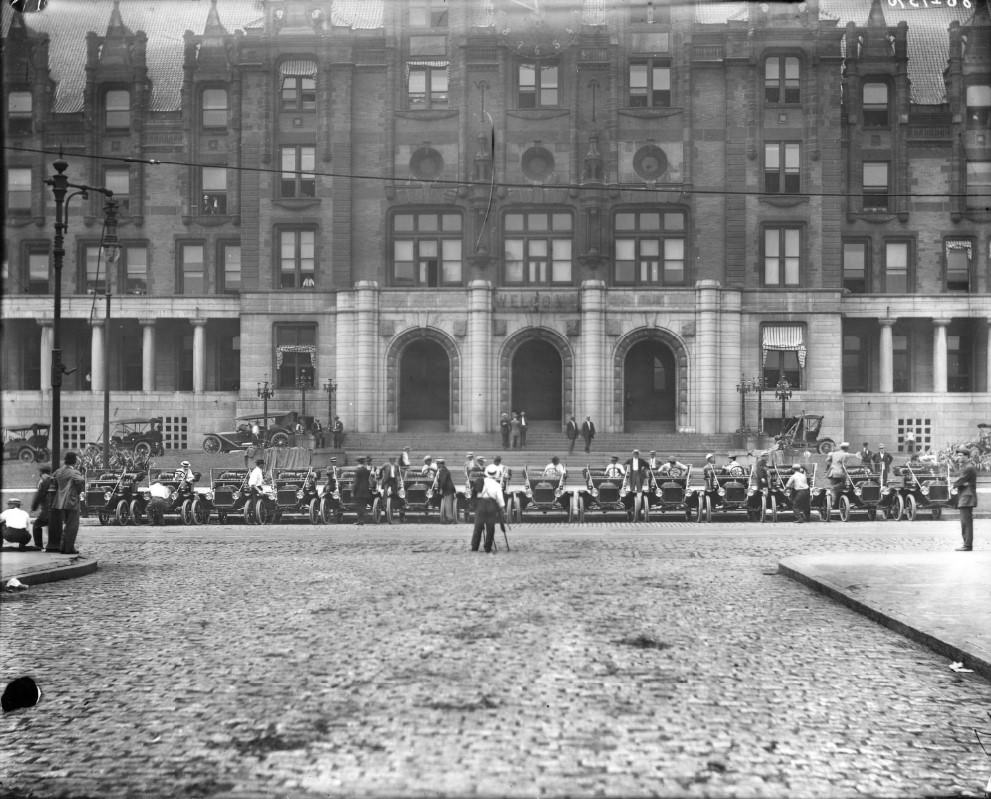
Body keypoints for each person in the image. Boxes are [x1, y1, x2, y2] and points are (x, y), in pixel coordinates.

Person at [51, 452, 85, 555]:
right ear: (74, 461)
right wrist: (78, 491)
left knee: (66, 525)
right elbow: (81, 481)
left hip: (60, 502)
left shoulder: (58, 471)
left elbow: (53, 480)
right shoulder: (73, 472)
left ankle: (63, 546)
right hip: (72, 501)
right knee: (72, 526)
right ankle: (69, 548)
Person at [471, 463, 505, 554]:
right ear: (496, 474)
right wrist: (502, 508)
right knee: (490, 528)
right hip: (491, 506)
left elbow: (474, 494)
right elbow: (500, 500)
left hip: (480, 505)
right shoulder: (497, 485)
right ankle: (488, 547)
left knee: (478, 527)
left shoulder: (479, 481)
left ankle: (474, 546)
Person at [953, 450, 977, 551]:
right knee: (965, 523)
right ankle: (967, 544)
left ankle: (967, 545)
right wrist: (961, 484)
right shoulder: (966, 466)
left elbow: (961, 480)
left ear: (967, 456)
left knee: (966, 523)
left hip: (967, 498)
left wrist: (954, 485)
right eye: (958, 455)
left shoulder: (968, 467)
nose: (959, 457)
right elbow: (962, 482)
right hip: (965, 497)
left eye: (961, 455)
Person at [30, 465, 53, 551]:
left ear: (42, 473)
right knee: (51, 527)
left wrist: (34, 507)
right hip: (54, 509)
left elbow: (39, 496)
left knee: (36, 526)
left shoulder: (43, 481)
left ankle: (39, 545)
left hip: (47, 510)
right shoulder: (53, 480)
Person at [825, 442, 852, 507]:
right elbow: (844, 465)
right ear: (847, 448)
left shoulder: (834, 453)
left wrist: (832, 465)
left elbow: (827, 461)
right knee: (845, 486)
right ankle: (834, 503)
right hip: (840, 473)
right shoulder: (846, 454)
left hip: (832, 473)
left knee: (833, 487)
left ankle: (833, 502)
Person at [436, 458, 457, 523]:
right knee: (447, 503)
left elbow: (443, 481)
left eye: (439, 464)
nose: (437, 465)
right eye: (437, 464)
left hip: (448, 489)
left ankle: (450, 518)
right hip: (448, 489)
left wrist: (441, 488)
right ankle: (447, 518)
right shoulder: (443, 470)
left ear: (442, 464)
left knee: (448, 504)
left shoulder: (443, 471)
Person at [353, 457, 372, 525]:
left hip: (359, 491)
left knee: (359, 506)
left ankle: (359, 520)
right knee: (363, 506)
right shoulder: (366, 471)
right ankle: (362, 520)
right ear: (363, 462)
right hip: (365, 490)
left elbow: (356, 482)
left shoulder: (358, 471)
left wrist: (353, 491)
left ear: (358, 462)